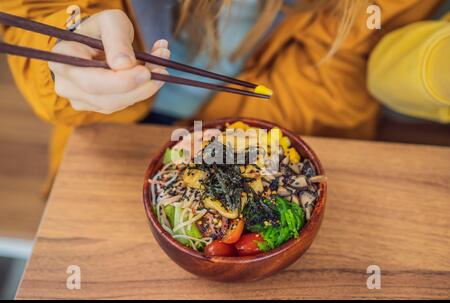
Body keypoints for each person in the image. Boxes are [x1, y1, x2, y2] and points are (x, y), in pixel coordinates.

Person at [0, 0, 444, 191]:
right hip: (107, 142)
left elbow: (328, 92)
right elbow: (37, 15)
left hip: (269, 145)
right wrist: (65, 53)